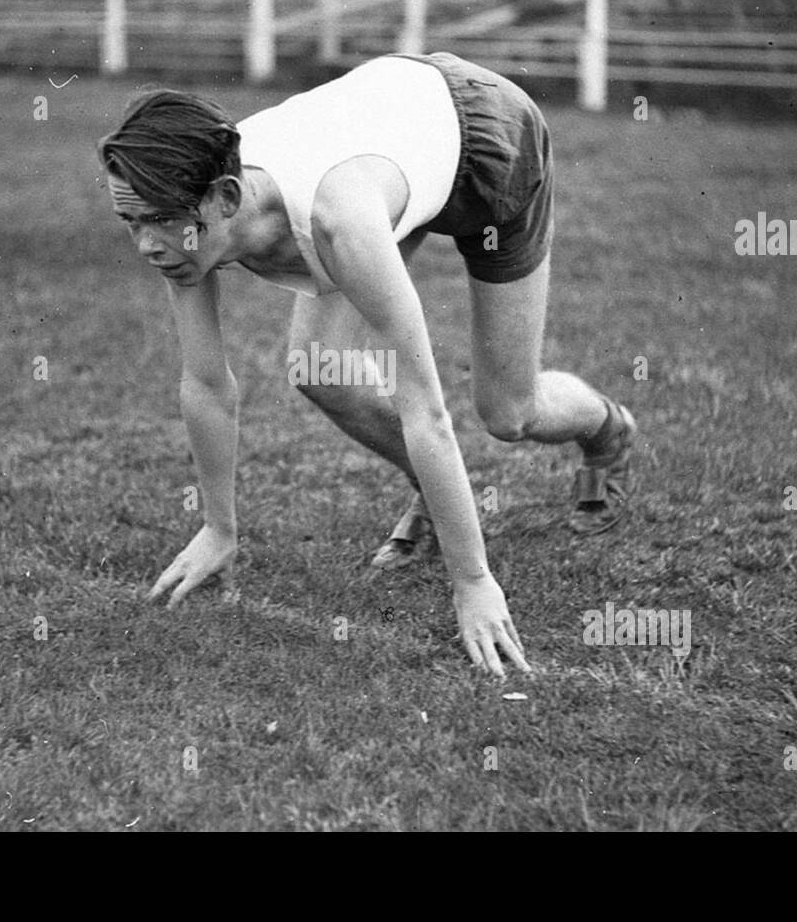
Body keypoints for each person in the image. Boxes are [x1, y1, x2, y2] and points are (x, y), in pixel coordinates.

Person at [98, 52, 636, 678]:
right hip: (391, 133)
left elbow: (426, 410)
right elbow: (206, 382)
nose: (146, 244)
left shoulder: (337, 220)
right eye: (130, 221)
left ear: (225, 198)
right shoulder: (186, 218)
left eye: (160, 221)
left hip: (490, 140)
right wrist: (219, 527)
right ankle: (437, 499)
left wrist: (474, 581)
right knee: (322, 370)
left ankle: (608, 430)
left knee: (509, 413)